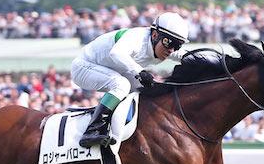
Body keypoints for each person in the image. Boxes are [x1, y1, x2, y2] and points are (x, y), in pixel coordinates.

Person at [71, 12, 189, 147]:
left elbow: (184, 55)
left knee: (146, 89)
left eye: (177, 45)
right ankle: (92, 131)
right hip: (83, 67)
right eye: (169, 43)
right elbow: (116, 53)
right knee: (121, 84)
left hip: (110, 70)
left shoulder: (163, 45)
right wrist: (140, 72)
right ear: (155, 35)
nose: (171, 50)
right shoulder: (137, 38)